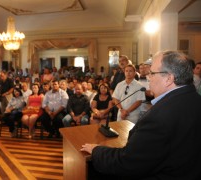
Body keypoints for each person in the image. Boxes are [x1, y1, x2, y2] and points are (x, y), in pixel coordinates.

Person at [81, 50, 201, 179]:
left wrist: (96, 150)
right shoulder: (195, 99)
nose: (148, 78)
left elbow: (127, 163)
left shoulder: (159, 117)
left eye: (152, 73)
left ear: (168, 78)